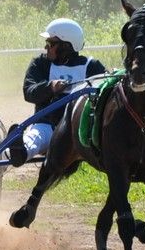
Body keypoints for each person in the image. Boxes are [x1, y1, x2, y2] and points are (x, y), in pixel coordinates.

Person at [9, 18, 106, 166]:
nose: (46, 47)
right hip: (47, 125)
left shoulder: (91, 66)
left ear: (66, 46)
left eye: (51, 44)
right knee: (36, 138)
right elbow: (28, 92)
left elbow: (107, 91)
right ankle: (18, 152)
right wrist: (50, 87)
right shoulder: (41, 64)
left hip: (79, 129)